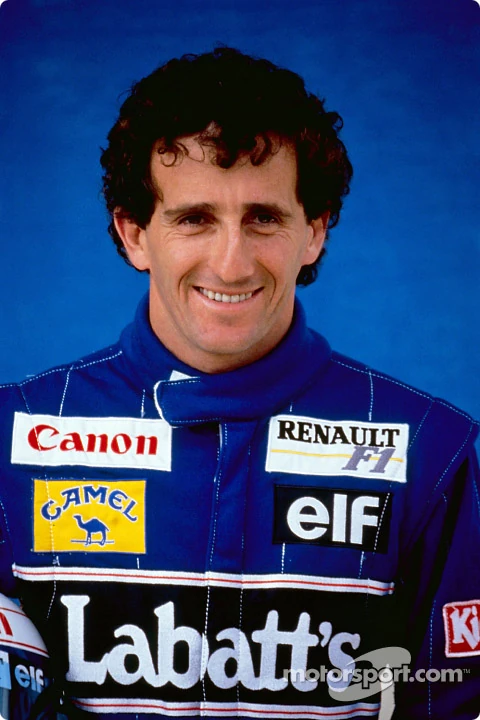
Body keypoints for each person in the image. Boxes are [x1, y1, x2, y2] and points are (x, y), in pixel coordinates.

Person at [0, 47, 478, 720]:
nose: (231, 265)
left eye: (264, 218)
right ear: (134, 233)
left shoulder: (430, 449)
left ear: (314, 232)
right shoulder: (12, 438)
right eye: (194, 218)